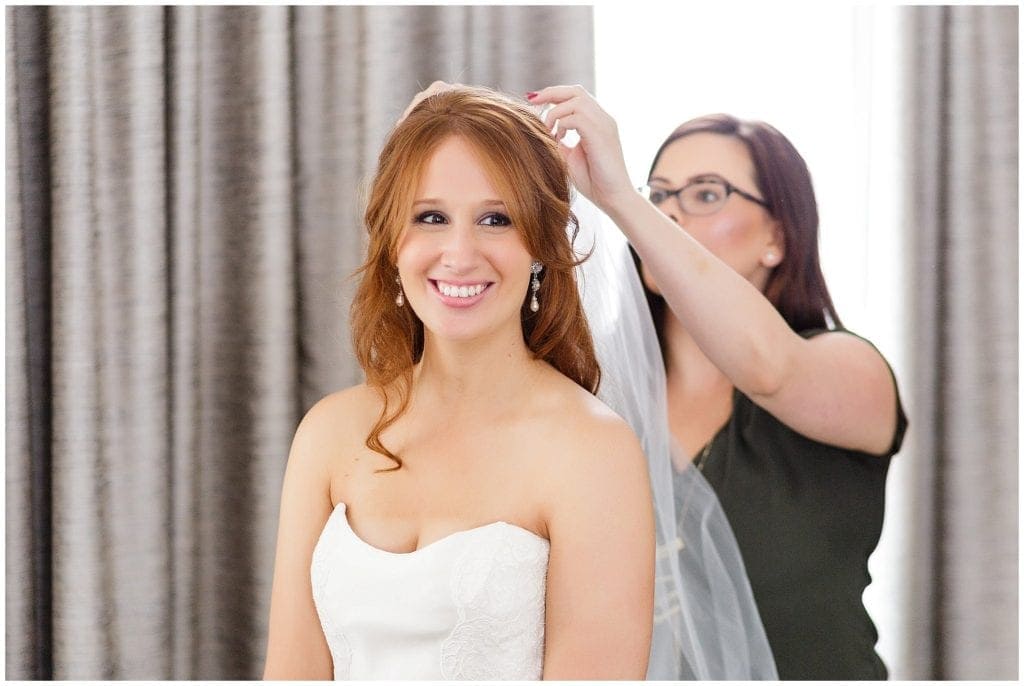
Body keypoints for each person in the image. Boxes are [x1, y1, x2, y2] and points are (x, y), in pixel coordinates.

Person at [262, 85, 655, 680]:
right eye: (431, 218)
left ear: (542, 246)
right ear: (394, 243)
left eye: (496, 219)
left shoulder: (592, 450)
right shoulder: (330, 431)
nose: (460, 253)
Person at [527, 85, 908, 680]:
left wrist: (624, 199)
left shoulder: (850, 371)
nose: (670, 212)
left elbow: (767, 367)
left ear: (778, 237)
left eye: (707, 194)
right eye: (660, 195)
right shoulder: (595, 398)